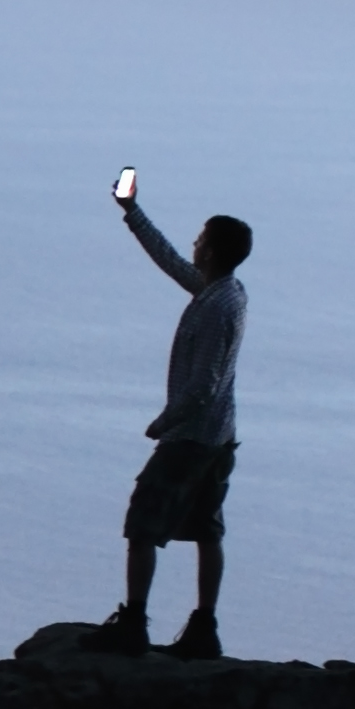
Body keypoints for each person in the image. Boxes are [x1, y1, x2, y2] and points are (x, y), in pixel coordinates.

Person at [97, 165, 249, 657]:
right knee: (207, 529)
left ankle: (135, 622)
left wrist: (162, 424)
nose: (194, 243)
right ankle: (204, 628)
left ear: (214, 250)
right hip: (218, 437)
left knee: (143, 525)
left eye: (201, 238)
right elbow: (167, 260)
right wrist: (132, 211)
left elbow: (202, 385)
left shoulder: (216, 307)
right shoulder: (224, 292)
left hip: (190, 438)